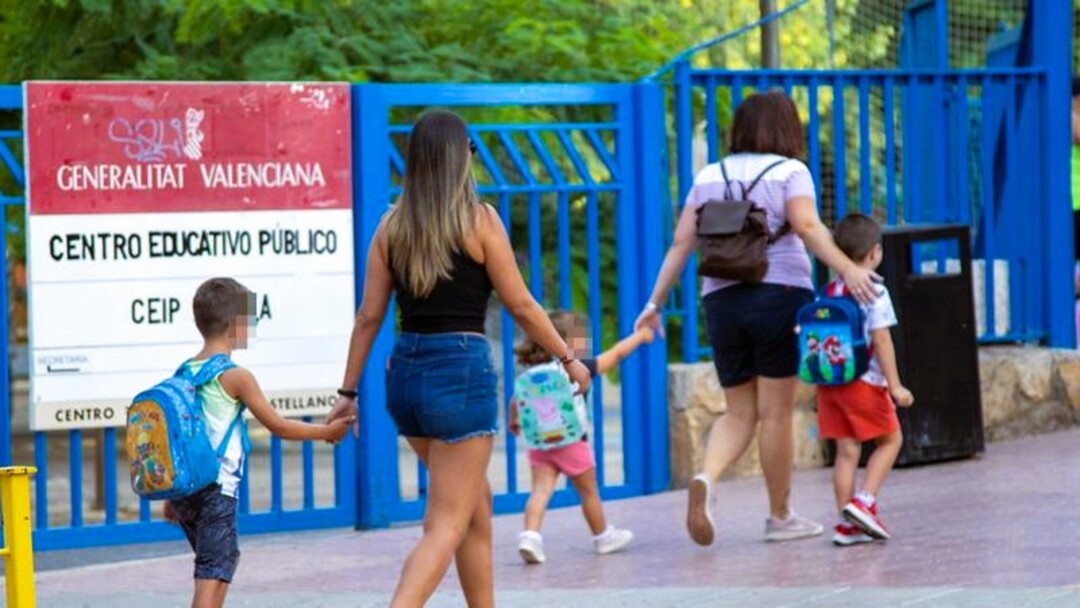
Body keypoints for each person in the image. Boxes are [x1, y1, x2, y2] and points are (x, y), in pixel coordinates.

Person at [324, 109, 591, 608]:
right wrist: (568, 357)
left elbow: (368, 317)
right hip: (460, 375)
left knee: (475, 505)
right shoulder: (481, 220)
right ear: (457, 159)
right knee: (446, 522)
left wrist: (347, 392)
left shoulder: (390, 226)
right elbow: (521, 304)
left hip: (405, 378)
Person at [635, 91, 879, 546]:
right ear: (786, 127)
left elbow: (680, 245)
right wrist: (846, 267)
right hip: (778, 295)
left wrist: (653, 305)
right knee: (775, 413)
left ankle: (706, 478)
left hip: (721, 301)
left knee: (739, 411)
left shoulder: (709, 175)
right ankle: (779, 515)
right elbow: (806, 226)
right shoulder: (791, 172)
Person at [164, 277, 353, 608]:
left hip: (188, 493)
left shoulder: (183, 372)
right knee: (211, 574)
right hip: (216, 491)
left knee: (222, 563)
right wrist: (327, 432)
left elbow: (178, 439)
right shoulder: (235, 376)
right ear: (236, 325)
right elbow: (278, 426)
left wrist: (172, 495)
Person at [509, 310, 653, 564]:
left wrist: (514, 421)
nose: (587, 343)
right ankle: (602, 536)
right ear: (569, 342)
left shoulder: (531, 375)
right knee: (588, 493)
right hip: (573, 442)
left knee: (540, 492)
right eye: (583, 338)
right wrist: (641, 336)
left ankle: (530, 536)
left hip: (540, 445)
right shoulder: (578, 367)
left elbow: (515, 402)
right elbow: (617, 354)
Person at [818, 214, 915, 546]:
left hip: (831, 384)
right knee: (891, 441)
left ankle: (846, 523)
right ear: (874, 252)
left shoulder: (828, 291)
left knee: (847, 452)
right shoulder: (874, 290)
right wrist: (896, 385)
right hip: (865, 382)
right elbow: (882, 340)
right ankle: (865, 501)